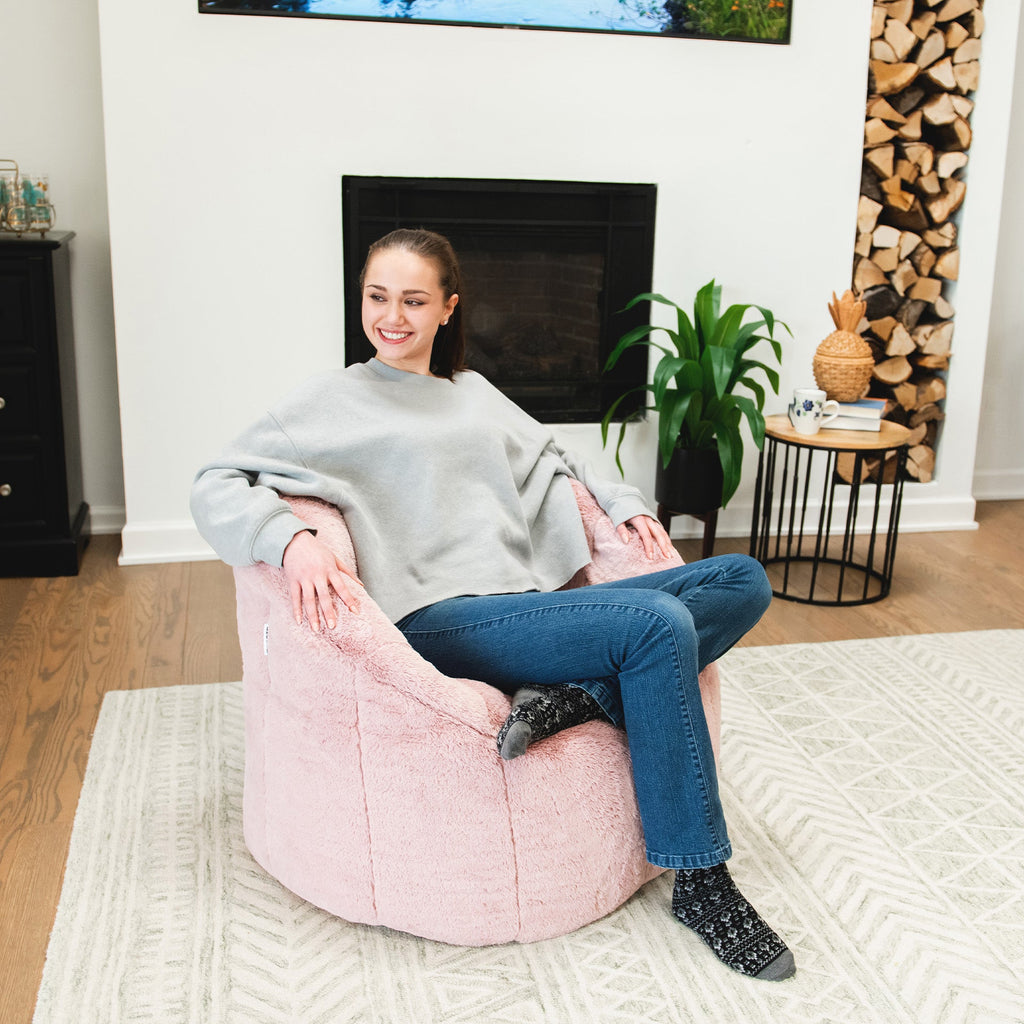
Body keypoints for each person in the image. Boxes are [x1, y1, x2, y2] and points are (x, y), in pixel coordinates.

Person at [190, 228, 795, 981]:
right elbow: (215, 481)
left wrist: (623, 501)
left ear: (448, 308)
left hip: (522, 607)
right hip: (437, 622)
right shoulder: (326, 403)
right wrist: (292, 540)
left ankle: (581, 695)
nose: (392, 317)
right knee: (658, 625)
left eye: (414, 301)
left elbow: (558, 455)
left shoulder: (472, 393)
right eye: (378, 297)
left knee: (741, 579)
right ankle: (702, 881)